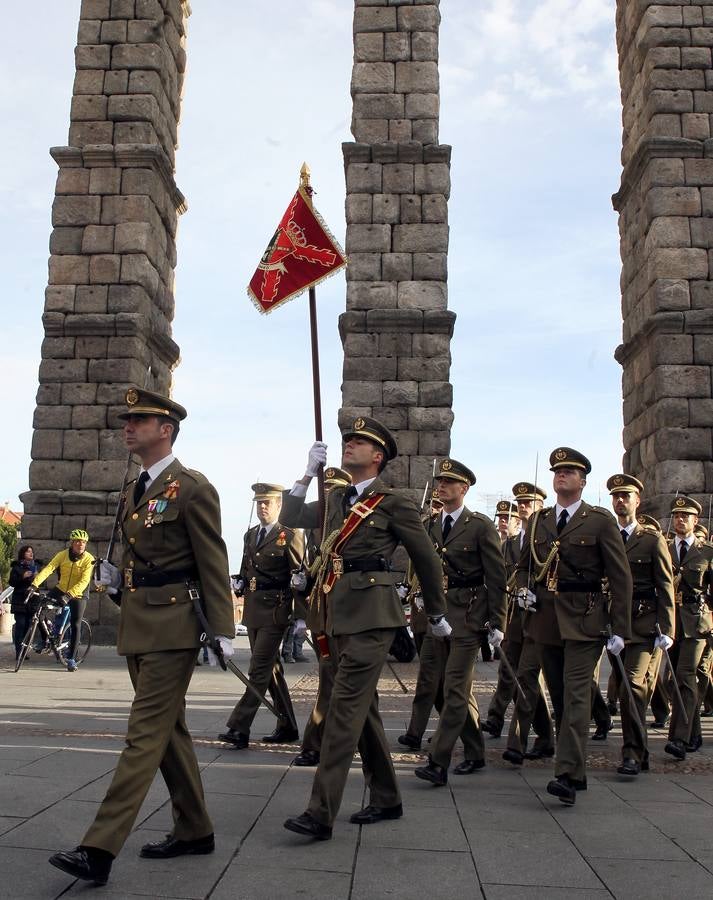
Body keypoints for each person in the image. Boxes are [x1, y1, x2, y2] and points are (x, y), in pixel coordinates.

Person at [49, 386, 235, 886]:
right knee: (168, 732)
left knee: (143, 737)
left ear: (166, 430)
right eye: (127, 421)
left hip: (174, 626)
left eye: (140, 421)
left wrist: (223, 630)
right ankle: (195, 829)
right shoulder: (133, 490)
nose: (128, 427)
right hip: (139, 622)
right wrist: (115, 578)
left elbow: (212, 562)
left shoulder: (192, 488)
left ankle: (98, 847)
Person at [281, 416, 448, 840]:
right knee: (363, 712)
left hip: (373, 618)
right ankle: (387, 797)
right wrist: (305, 474)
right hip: (335, 616)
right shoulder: (336, 499)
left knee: (341, 712)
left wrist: (437, 612)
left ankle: (320, 812)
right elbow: (292, 515)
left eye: (358, 442)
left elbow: (425, 558)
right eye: (346, 441)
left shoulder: (394, 502)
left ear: (378, 457)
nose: (348, 446)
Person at [515, 447, 632, 806]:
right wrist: (522, 590)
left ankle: (565, 774)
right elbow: (524, 566)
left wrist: (619, 628)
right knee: (561, 698)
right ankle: (576, 771)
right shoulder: (539, 521)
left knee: (578, 695)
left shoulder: (598, 520)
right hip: (546, 620)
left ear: (582, 481)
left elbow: (620, 575)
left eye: (569, 471)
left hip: (585, 619)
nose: (561, 475)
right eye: (558, 471)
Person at [413, 457, 507, 787]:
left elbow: (496, 577)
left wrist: (498, 621)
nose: (440, 486)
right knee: (444, 689)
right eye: (438, 482)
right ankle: (475, 751)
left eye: (447, 483)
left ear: (463, 489)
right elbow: (426, 567)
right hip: (438, 616)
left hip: (469, 618)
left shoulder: (480, 526)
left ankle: (438, 761)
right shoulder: (432, 525)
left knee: (454, 687)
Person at [219, 483, 303, 749]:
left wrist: (301, 616)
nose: (262, 507)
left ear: (279, 505)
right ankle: (288, 726)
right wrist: (240, 582)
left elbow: (300, 577)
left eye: (267, 503)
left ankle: (239, 727)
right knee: (271, 670)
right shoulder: (250, 535)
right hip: (254, 609)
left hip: (276, 610)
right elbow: (246, 566)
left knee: (258, 670)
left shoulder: (290, 534)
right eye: (259, 503)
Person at [607, 474, 675, 776]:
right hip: (614, 624)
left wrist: (668, 628)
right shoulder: (606, 535)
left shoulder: (651, 539)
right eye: (616, 496)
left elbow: (665, 584)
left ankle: (631, 754)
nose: (620, 500)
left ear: (637, 501)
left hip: (645, 624)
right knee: (623, 686)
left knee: (632, 688)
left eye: (626, 495)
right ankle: (642, 751)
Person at [489, 483, 555, 764]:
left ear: (541, 505)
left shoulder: (549, 534)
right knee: (514, 676)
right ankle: (546, 736)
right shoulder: (512, 543)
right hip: (514, 617)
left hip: (540, 617)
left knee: (525, 676)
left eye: (529, 501)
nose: (523, 505)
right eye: (521, 501)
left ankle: (516, 742)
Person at [292, 465, 352, 767]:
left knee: (341, 683)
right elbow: (288, 514)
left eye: (334, 490)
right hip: (321, 613)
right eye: (324, 489)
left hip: (346, 614)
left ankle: (321, 743)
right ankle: (319, 743)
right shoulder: (315, 527)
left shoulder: (350, 523)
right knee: (332, 679)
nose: (327, 494)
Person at [664, 495, 713, 761]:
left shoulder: (707, 552)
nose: (680, 519)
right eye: (676, 516)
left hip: (698, 623)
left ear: (696, 521)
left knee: (684, 675)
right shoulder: (664, 548)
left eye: (685, 516)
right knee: (673, 679)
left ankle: (679, 739)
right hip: (673, 622)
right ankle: (694, 733)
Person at [31, 530, 95, 671]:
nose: (81, 544)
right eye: (78, 541)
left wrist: (69, 595)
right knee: (39, 609)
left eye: (83, 542)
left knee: (75, 624)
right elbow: (49, 569)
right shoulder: (62, 555)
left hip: (78, 594)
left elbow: (84, 581)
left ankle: (71, 658)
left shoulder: (89, 559)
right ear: (72, 543)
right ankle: (44, 639)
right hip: (61, 589)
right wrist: (34, 584)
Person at [8, 545, 39, 661]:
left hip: (33, 598)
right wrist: (22, 576)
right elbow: (11, 583)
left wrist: (37, 577)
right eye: (27, 552)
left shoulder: (36, 566)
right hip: (20, 599)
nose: (30, 553)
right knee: (20, 624)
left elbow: (41, 580)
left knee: (29, 625)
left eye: (31, 551)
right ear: (22, 554)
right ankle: (18, 652)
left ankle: (25, 651)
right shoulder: (16, 567)